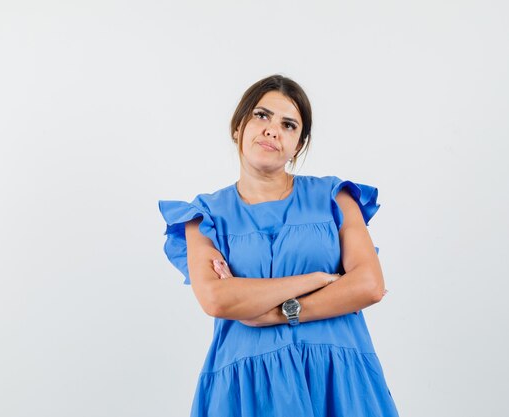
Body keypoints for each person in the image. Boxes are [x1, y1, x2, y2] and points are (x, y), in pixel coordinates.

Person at [158, 74, 399, 416]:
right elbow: (215, 298)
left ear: (298, 145)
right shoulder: (204, 215)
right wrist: (319, 279)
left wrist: (273, 313)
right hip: (246, 386)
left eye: (288, 125)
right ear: (237, 127)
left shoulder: (333, 197)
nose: (272, 129)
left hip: (339, 378)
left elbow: (370, 285)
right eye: (261, 115)